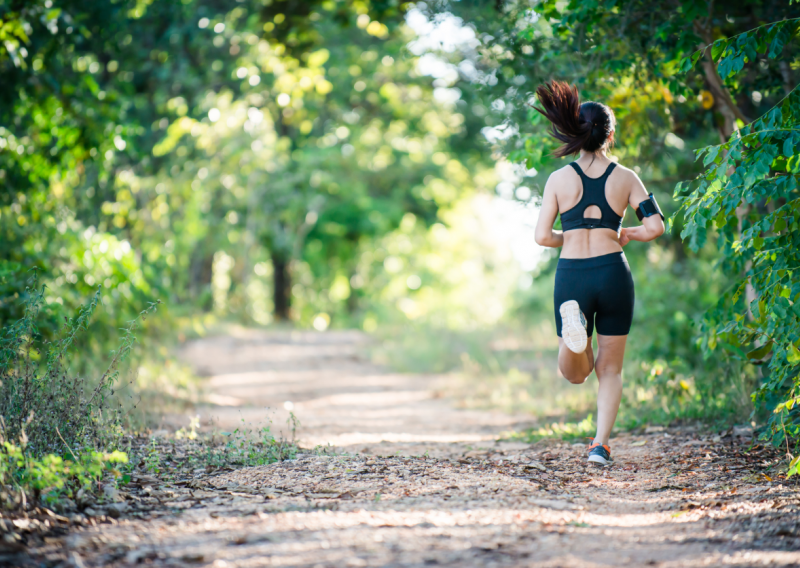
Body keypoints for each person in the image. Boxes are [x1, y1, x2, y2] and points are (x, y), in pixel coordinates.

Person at [532, 81, 665, 466]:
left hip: (572, 273)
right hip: (612, 272)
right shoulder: (626, 177)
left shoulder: (559, 179)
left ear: (576, 131)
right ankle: (599, 447)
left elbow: (542, 236)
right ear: (610, 134)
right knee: (610, 369)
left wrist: (570, 235)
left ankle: (574, 342)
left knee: (576, 373)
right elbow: (656, 226)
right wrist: (625, 234)